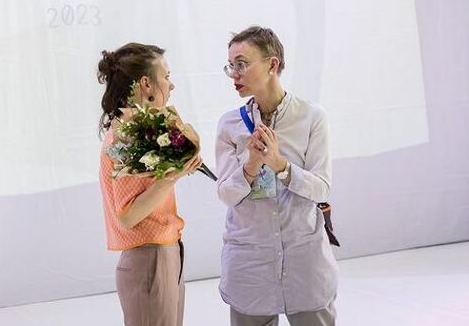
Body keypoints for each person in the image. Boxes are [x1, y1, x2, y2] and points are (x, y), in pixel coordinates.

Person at [215, 26, 338, 326]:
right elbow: (226, 195)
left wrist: (281, 166)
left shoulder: (311, 117)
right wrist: (252, 163)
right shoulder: (230, 125)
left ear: (272, 64)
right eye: (231, 66)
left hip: (303, 259)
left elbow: (322, 190)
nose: (234, 73)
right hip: (250, 263)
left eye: (242, 64)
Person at [97, 42, 202, 326]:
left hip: (164, 253)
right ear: (146, 83)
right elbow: (128, 215)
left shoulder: (140, 131)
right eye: (166, 76)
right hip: (150, 259)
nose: (171, 85)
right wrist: (172, 178)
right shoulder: (124, 137)